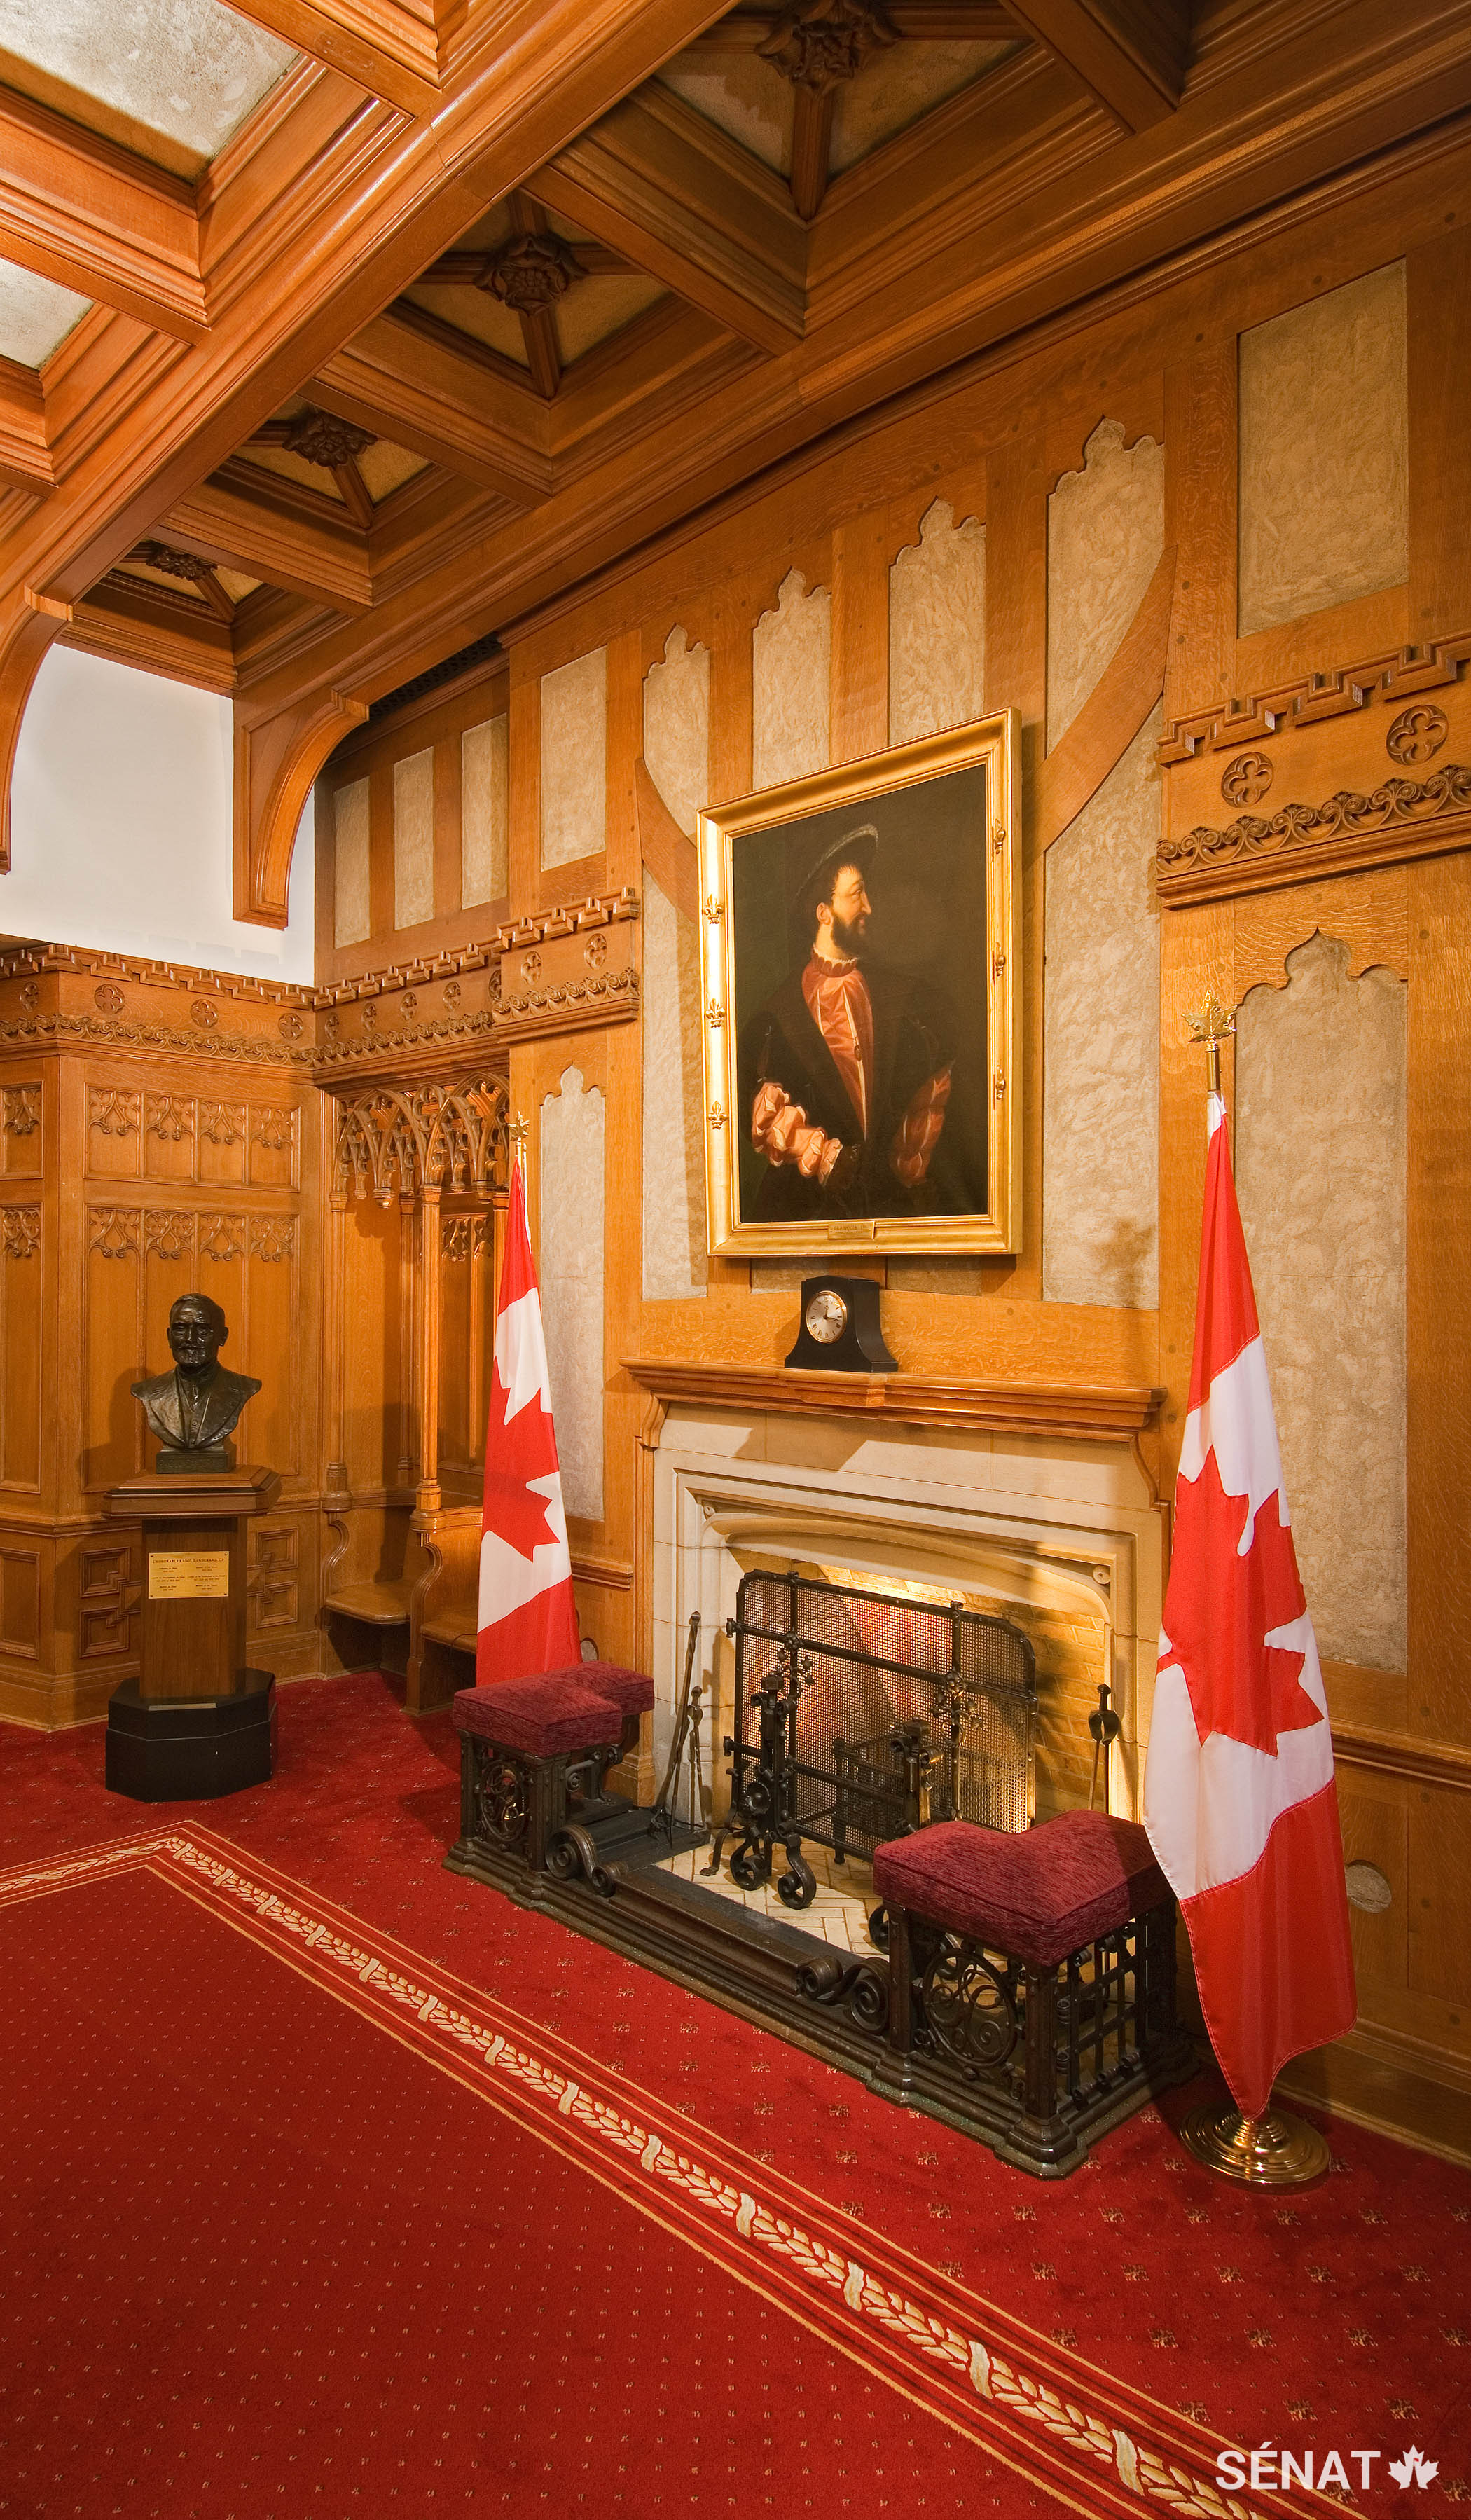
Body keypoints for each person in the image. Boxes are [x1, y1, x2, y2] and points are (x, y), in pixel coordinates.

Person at [737, 824, 961, 1222]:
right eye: (856, 894)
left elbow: (929, 1095)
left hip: (891, 1217)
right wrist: (821, 1154)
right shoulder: (773, 1020)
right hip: (805, 1219)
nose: (869, 907)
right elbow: (761, 1116)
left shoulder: (904, 1001)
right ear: (824, 912)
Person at [132, 1292, 261, 1464]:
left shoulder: (244, 1387)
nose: (190, 1338)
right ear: (169, 1337)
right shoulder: (147, 1392)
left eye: (202, 1329)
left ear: (223, 1336)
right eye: (180, 1329)